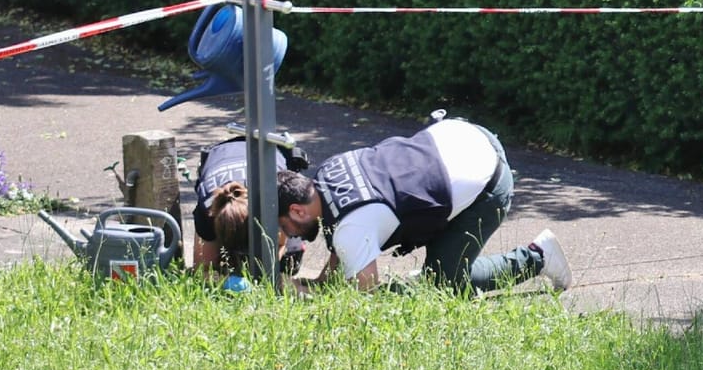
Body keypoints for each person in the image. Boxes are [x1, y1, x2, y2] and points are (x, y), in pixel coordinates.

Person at [276, 115, 571, 294]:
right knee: (436, 266)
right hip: (466, 136)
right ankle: (439, 264)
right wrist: (319, 283)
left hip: (489, 181)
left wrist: (311, 300)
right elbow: (346, 243)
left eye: (284, 227)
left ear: (297, 210)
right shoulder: (328, 172)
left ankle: (539, 257)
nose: (290, 236)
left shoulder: (350, 228)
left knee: (446, 282)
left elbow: (365, 291)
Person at [190, 136, 305, 281]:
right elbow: (202, 270)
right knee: (222, 264)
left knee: (289, 261)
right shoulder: (208, 210)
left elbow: (281, 244)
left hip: (265, 147)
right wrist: (225, 282)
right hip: (222, 152)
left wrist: (264, 275)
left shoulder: (275, 200)